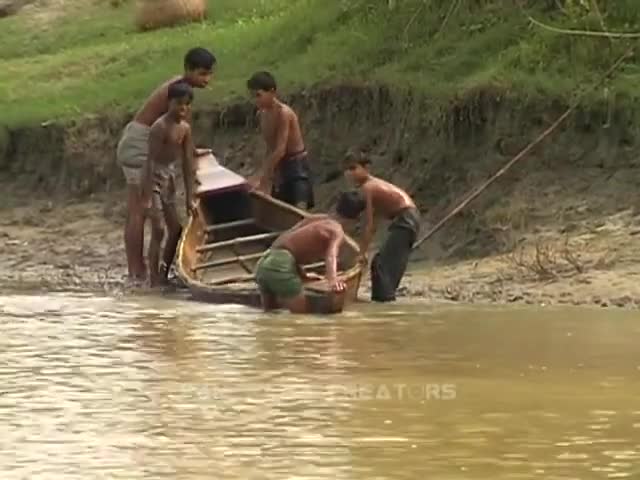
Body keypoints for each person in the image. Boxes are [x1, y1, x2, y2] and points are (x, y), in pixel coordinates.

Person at [116, 47, 216, 284]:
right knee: (138, 209)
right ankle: (136, 270)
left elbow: (181, 131)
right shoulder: (177, 91)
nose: (207, 80)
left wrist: (191, 152)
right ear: (188, 70)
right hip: (140, 143)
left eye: (209, 74)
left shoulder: (183, 91)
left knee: (148, 213)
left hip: (150, 145)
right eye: (202, 74)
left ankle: (147, 270)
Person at [339, 151, 421, 302]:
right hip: (407, 218)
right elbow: (374, 222)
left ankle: (384, 300)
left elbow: (368, 225)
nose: (349, 174)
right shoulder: (371, 187)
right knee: (386, 262)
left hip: (406, 218)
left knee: (381, 264)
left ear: (366, 168)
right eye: (347, 170)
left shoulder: (368, 188)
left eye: (353, 168)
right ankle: (384, 298)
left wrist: (362, 253)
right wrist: (363, 250)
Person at [142, 82, 197, 287]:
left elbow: (187, 161)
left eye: (187, 105)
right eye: (178, 104)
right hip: (153, 176)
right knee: (158, 228)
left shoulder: (185, 128)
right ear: (169, 103)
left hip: (169, 178)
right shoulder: (160, 127)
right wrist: (147, 196)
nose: (183, 109)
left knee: (176, 229)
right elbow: (149, 161)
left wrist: (190, 196)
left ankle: (165, 272)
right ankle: (153, 279)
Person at [246, 71, 314, 210]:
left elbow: (280, 149)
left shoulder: (284, 113)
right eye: (253, 96)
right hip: (280, 167)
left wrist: (263, 176)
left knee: (299, 207)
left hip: (296, 167)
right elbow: (270, 148)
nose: (256, 100)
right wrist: (266, 173)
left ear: (272, 92)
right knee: (280, 208)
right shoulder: (262, 114)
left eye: (258, 95)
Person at [255, 214, 346, 313]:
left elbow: (290, 242)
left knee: (269, 316)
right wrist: (332, 280)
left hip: (264, 261)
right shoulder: (336, 230)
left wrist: (303, 276)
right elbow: (331, 255)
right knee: (300, 318)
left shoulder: (317, 219)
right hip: (280, 264)